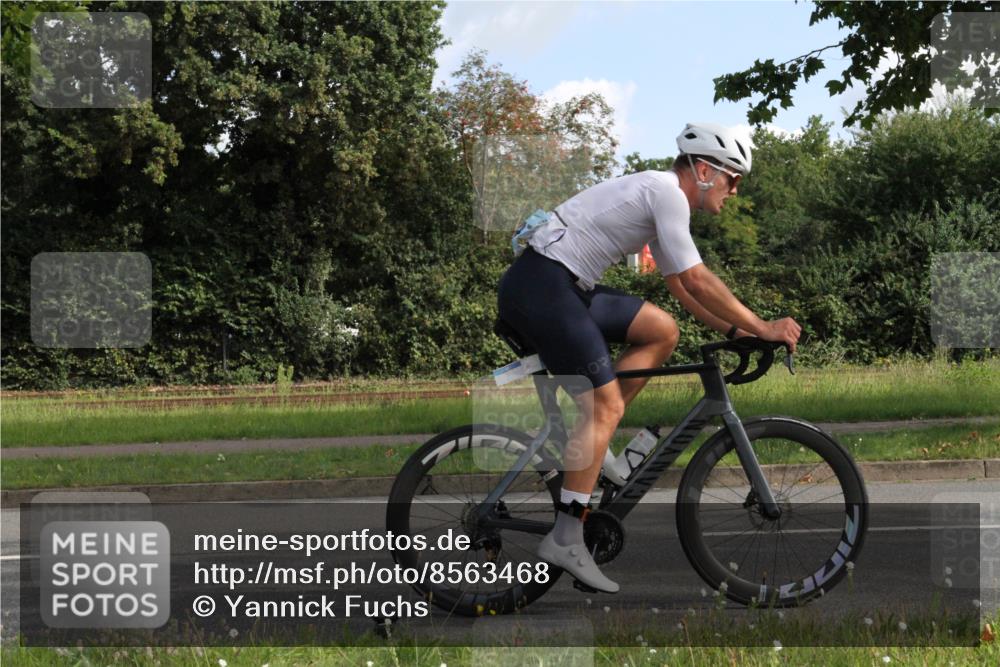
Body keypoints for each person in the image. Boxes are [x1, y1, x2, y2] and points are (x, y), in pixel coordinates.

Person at [496, 122, 802, 593]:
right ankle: (566, 537)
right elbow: (698, 279)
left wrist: (736, 332)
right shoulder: (667, 194)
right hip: (543, 286)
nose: (735, 190)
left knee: (661, 330)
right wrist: (764, 327)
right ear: (705, 171)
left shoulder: (662, 198)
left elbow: (680, 286)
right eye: (733, 178)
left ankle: (599, 448)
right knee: (605, 407)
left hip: (559, 285)